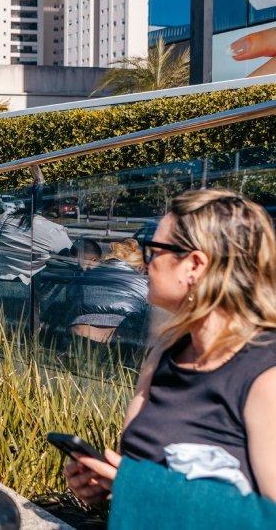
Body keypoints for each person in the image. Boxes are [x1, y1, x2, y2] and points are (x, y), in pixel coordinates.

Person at [63, 189, 276, 506]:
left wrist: (143, 488)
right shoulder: (166, 352)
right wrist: (109, 486)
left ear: (194, 265)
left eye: (154, 252)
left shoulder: (264, 375)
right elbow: (142, 472)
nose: (145, 264)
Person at [69, 239, 149, 344]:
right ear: (139, 267)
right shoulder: (145, 283)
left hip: (80, 332)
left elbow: (72, 302)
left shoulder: (86, 275)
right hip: (124, 338)